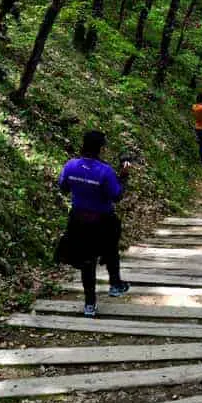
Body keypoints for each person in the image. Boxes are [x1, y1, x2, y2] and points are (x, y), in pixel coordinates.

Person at [57, 131, 131, 318]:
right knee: (111, 248)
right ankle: (115, 284)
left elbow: (63, 188)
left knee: (86, 261)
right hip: (102, 220)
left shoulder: (70, 165)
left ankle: (89, 304)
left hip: (78, 220)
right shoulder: (105, 170)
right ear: (100, 148)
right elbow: (116, 196)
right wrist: (123, 177)